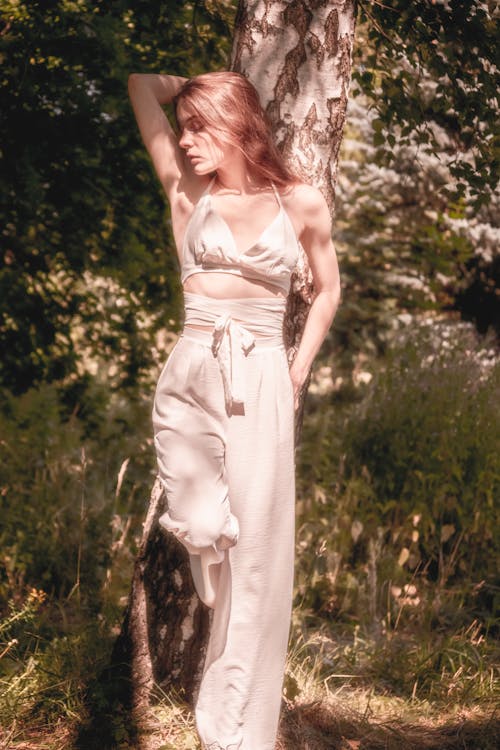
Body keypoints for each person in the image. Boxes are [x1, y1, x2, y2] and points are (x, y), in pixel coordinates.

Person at [128, 69, 340, 750]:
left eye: (200, 127)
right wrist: (188, 86)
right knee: (195, 516)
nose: (186, 141)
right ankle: (209, 541)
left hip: (263, 376)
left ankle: (237, 728)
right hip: (192, 369)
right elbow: (138, 88)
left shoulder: (301, 203)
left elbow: (330, 289)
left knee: (260, 557)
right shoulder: (188, 191)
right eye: (184, 127)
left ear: (237, 124)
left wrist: (299, 364)